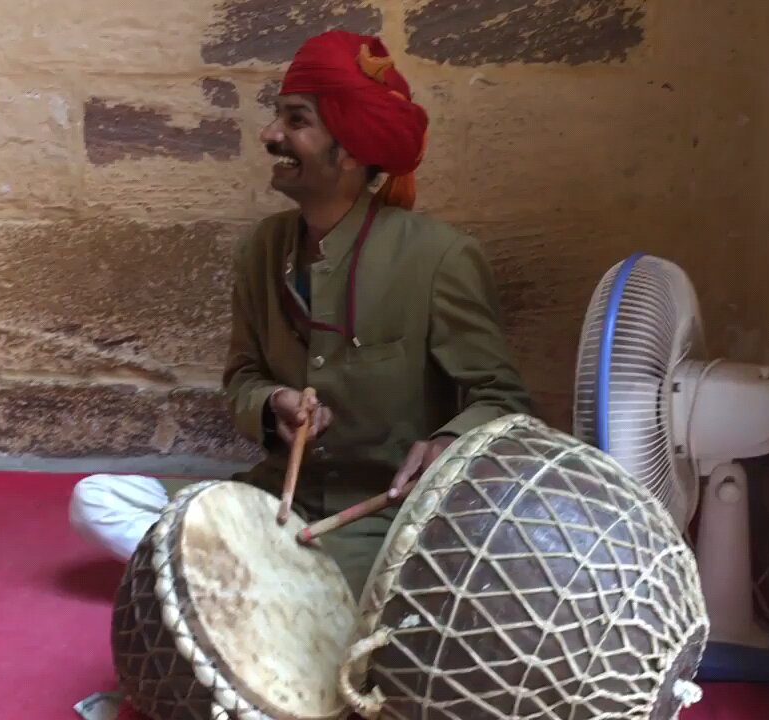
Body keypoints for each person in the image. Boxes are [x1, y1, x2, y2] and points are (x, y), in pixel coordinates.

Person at [69, 29, 534, 598]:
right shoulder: (263, 248)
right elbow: (243, 377)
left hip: (371, 519)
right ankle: (246, 579)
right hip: (271, 499)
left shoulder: (439, 257)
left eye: (296, 120)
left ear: (352, 148)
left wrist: (446, 441)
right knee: (94, 498)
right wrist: (273, 404)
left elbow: (503, 402)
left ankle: (230, 580)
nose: (270, 135)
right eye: (276, 117)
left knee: (339, 590)